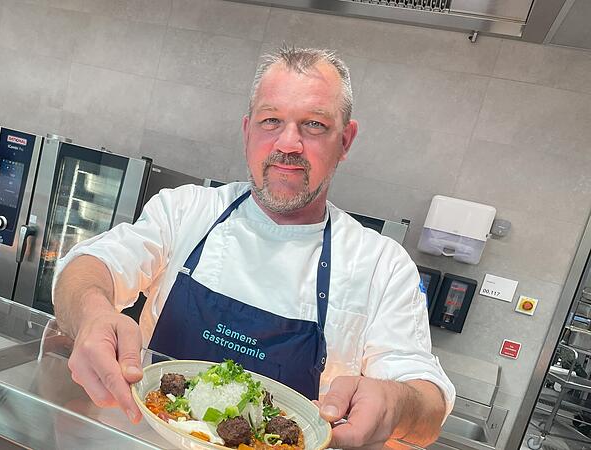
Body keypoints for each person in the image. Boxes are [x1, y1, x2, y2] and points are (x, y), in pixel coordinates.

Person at [52, 46, 455, 449]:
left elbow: (427, 406)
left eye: (314, 125)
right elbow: (90, 265)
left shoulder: (382, 265)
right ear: (247, 131)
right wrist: (92, 314)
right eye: (271, 120)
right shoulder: (186, 210)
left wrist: (396, 404)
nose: (289, 143)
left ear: (345, 141)